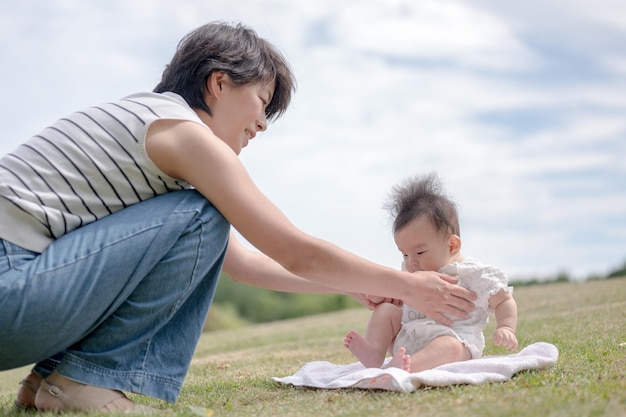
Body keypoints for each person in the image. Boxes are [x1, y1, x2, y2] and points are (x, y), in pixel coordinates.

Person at [0, 22, 477, 413]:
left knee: (204, 214)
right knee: (206, 213)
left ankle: (50, 382)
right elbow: (292, 249)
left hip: (21, 294)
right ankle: (83, 381)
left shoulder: (153, 138)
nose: (263, 123)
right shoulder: (181, 132)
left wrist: (351, 285)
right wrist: (408, 286)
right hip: (10, 288)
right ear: (219, 81)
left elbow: (244, 264)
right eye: (261, 102)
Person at [344, 173, 518, 372]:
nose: (411, 262)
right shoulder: (411, 272)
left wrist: (505, 327)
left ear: (452, 245)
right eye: (404, 254)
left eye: (419, 252)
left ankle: (405, 368)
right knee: (386, 310)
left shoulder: (473, 274)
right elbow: (396, 300)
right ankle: (375, 351)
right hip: (407, 338)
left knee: (451, 348)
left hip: (452, 338)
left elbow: (504, 300)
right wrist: (383, 296)